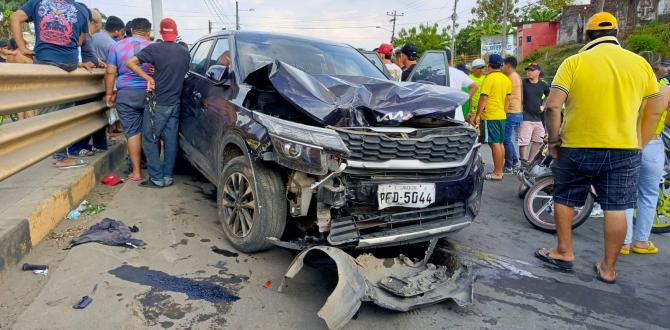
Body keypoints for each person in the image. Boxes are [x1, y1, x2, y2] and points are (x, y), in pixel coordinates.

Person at [535, 12, 664, 284]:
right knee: (617, 207)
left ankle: (564, 252)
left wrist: (554, 142)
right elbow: (654, 109)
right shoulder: (640, 64)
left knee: (566, 198)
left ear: (587, 35)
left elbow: (554, 105)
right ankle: (608, 268)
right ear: (617, 33)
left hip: (577, 145)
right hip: (624, 149)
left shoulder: (574, 62)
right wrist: (639, 142)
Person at [126, 18, 190, 188]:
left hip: (158, 103)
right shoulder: (184, 52)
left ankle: (156, 178)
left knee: (149, 139)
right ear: (175, 33)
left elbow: (129, 62)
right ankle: (168, 176)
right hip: (175, 103)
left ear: (161, 32)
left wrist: (148, 77)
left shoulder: (155, 48)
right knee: (170, 140)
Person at [621, 51, 670, 255]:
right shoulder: (664, 88)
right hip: (653, 143)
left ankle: (623, 242)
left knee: (624, 193)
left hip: (627, 141)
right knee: (649, 194)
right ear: (659, 68)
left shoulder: (628, 84)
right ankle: (641, 242)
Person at [106, 18, 153, 182]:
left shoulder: (117, 46)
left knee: (132, 132)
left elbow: (111, 72)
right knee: (151, 131)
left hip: (126, 94)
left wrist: (109, 93)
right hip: (149, 93)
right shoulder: (153, 46)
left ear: (132, 29)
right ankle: (155, 170)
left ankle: (136, 172)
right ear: (148, 31)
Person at [10, 0, 89, 71]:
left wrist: (22, 48)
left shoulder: (37, 2)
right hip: (71, 65)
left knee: (13, 56)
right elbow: (79, 42)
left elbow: (14, 18)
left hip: (43, 60)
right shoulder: (83, 10)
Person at [474, 54, 511, 181]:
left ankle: (497, 172)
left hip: (491, 116)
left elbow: (483, 97)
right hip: (501, 116)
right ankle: (499, 171)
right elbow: (508, 99)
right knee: (499, 144)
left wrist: (478, 115)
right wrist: (504, 112)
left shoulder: (489, 79)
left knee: (494, 144)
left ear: (489, 65)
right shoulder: (506, 79)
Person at [518, 63, 550, 163]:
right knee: (524, 141)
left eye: (531, 70)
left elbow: (549, 95)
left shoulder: (543, 84)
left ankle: (530, 162)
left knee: (538, 140)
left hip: (538, 118)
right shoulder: (523, 82)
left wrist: (544, 105)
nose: (528, 72)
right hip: (525, 117)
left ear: (538, 72)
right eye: (528, 70)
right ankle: (523, 162)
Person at [502, 56, 523, 173]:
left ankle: (509, 165)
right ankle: (514, 162)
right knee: (508, 140)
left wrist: (504, 111)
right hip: (517, 112)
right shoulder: (517, 77)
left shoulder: (510, 78)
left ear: (508, 65)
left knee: (506, 140)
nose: (502, 68)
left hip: (511, 112)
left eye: (503, 65)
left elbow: (508, 97)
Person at [445, 49, 478, 122]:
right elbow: (475, 86)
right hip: (457, 117)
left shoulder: (433, 73)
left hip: (438, 118)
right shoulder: (458, 73)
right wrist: (462, 100)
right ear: (451, 60)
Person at [467, 59, 487, 123]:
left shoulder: (486, 78)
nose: (481, 70)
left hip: (484, 111)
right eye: (479, 68)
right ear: (472, 69)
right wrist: (469, 112)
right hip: (472, 111)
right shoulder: (468, 79)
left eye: (482, 68)